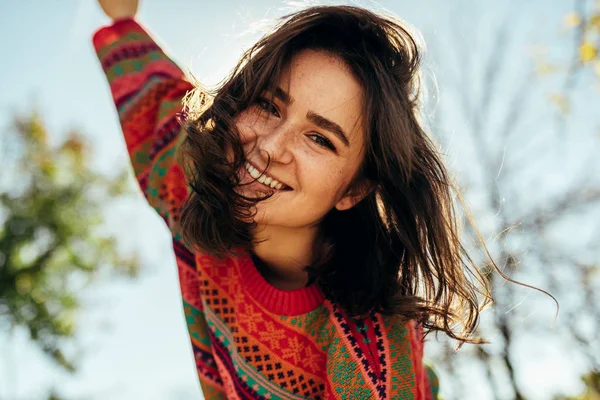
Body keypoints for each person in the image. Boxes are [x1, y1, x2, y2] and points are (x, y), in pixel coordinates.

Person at [93, 0, 492, 398]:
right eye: (268, 106)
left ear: (354, 189)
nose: (270, 146)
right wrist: (124, 19)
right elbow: (158, 99)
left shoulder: (371, 356)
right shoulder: (190, 182)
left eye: (320, 139)